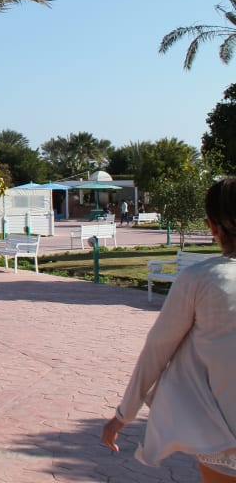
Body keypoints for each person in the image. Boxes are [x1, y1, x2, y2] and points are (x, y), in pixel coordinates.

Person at [102, 177, 236, 482]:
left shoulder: (200, 280)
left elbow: (158, 349)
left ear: (213, 226)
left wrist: (124, 414)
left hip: (225, 440)